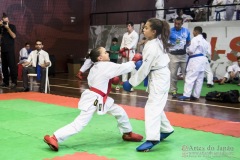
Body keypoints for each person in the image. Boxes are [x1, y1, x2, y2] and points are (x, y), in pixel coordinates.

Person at [43, 46, 143, 151]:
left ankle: (128, 133)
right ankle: (54, 137)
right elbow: (122, 68)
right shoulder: (106, 66)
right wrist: (133, 62)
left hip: (99, 98)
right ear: (100, 58)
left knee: (119, 111)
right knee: (80, 123)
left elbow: (99, 80)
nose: (107, 53)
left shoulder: (95, 67)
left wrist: (110, 79)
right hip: (94, 100)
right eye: (105, 52)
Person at [123, 18, 174, 152]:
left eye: (146, 28)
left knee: (152, 107)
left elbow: (145, 69)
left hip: (159, 78)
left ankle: (152, 139)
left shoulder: (153, 45)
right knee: (156, 104)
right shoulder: (154, 42)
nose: (143, 29)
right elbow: (148, 63)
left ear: (154, 31)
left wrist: (131, 82)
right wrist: (142, 59)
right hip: (158, 75)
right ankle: (167, 129)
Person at [178, 26, 209, 101]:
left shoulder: (195, 39)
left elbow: (191, 50)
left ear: (196, 31)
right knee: (199, 79)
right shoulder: (205, 41)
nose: (193, 33)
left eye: (193, 31)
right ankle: (196, 95)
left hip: (196, 59)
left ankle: (186, 95)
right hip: (203, 60)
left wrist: (187, 49)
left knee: (190, 77)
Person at [169, 17, 191, 98]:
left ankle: (186, 92)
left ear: (182, 23)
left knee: (186, 74)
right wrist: (171, 45)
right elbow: (166, 41)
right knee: (173, 74)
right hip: (173, 55)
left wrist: (185, 47)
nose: (176, 25)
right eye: (175, 23)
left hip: (184, 55)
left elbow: (189, 41)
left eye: (178, 24)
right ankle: (173, 90)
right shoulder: (170, 31)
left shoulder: (186, 31)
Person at [0, 13, 17, 89]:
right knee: (4, 67)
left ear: (8, 20)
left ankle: (14, 82)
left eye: (6, 21)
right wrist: (0, 26)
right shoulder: (1, 28)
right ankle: (5, 82)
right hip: (3, 49)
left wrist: (8, 28)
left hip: (10, 50)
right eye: (4, 21)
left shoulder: (12, 26)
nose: (5, 23)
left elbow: (14, 36)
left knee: (12, 66)